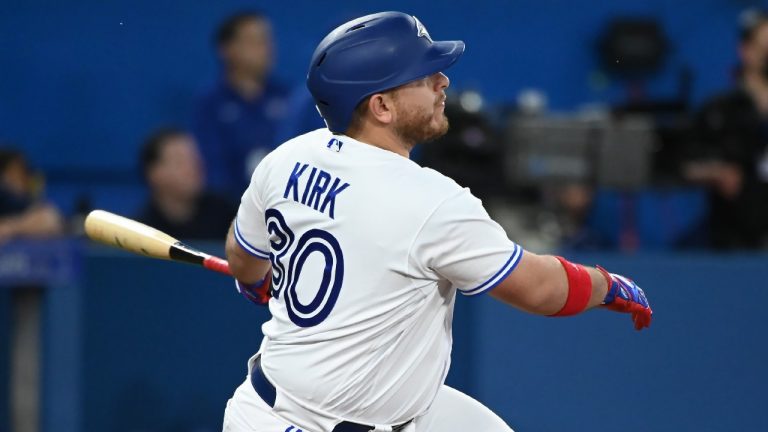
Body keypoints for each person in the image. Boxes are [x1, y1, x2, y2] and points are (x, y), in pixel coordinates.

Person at [222, 12, 652, 432]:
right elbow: (539, 289)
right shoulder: (431, 201)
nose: (442, 82)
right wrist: (606, 284)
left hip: (336, 406)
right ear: (382, 106)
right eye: (424, 76)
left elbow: (244, 260)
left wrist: (256, 283)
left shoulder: (286, 157)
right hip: (302, 422)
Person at [684, 8, 768, 249]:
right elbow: (682, 164)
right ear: (746, 51)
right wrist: (717, 171)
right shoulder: (720, 111)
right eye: (764, 47)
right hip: (732, 240)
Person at [193, 11, 291, 199]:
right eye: (255, 41)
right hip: (228, 208)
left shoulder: (288, 98)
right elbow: (211, 167)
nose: (267, 49)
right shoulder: (210, 103)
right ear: (228, 49)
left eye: (268, 40)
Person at [137, 128, 237, 240]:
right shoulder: (142, 232)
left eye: (194, 158)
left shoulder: (228, 216)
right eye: (180, 162)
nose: (194, 167)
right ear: (154, 173)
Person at [0, 148, 63, 243]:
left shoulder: (20, 202)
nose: (24, 178)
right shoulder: (5, 194)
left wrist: (11, 227)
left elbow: (50, 219)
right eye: (18, 171)